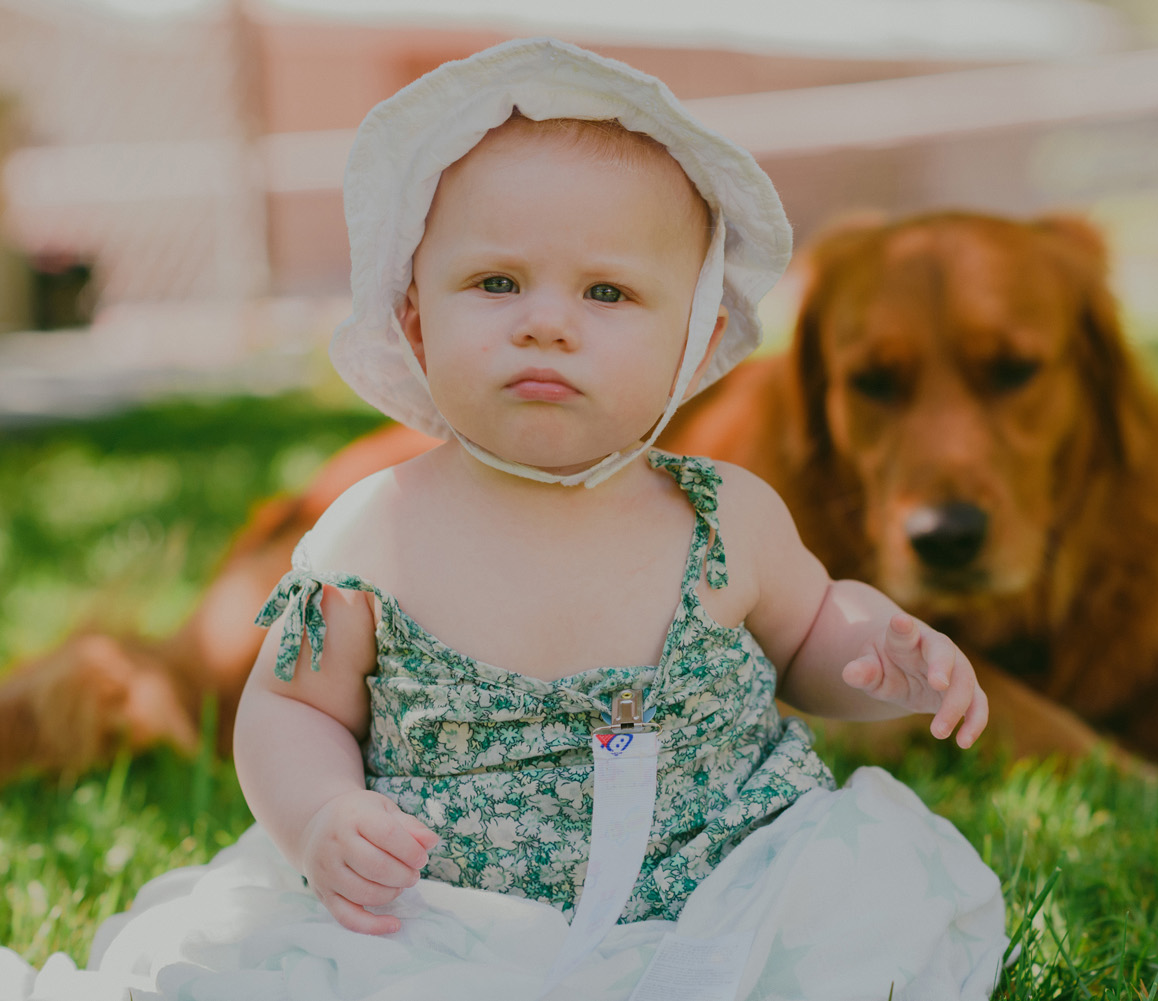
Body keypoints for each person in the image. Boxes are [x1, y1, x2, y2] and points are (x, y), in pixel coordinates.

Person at [0, 38, 1009, 1001]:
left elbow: (809, 634)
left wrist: (884, 655)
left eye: (608, 291)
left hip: (731, 889)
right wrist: (320, 818)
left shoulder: (727, 516)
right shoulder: (373, 536)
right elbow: (292, 707)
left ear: (694, 338)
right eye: (495, 282)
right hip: (450, 917)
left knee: (850, 936)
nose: (547, 320)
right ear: (414, 318)